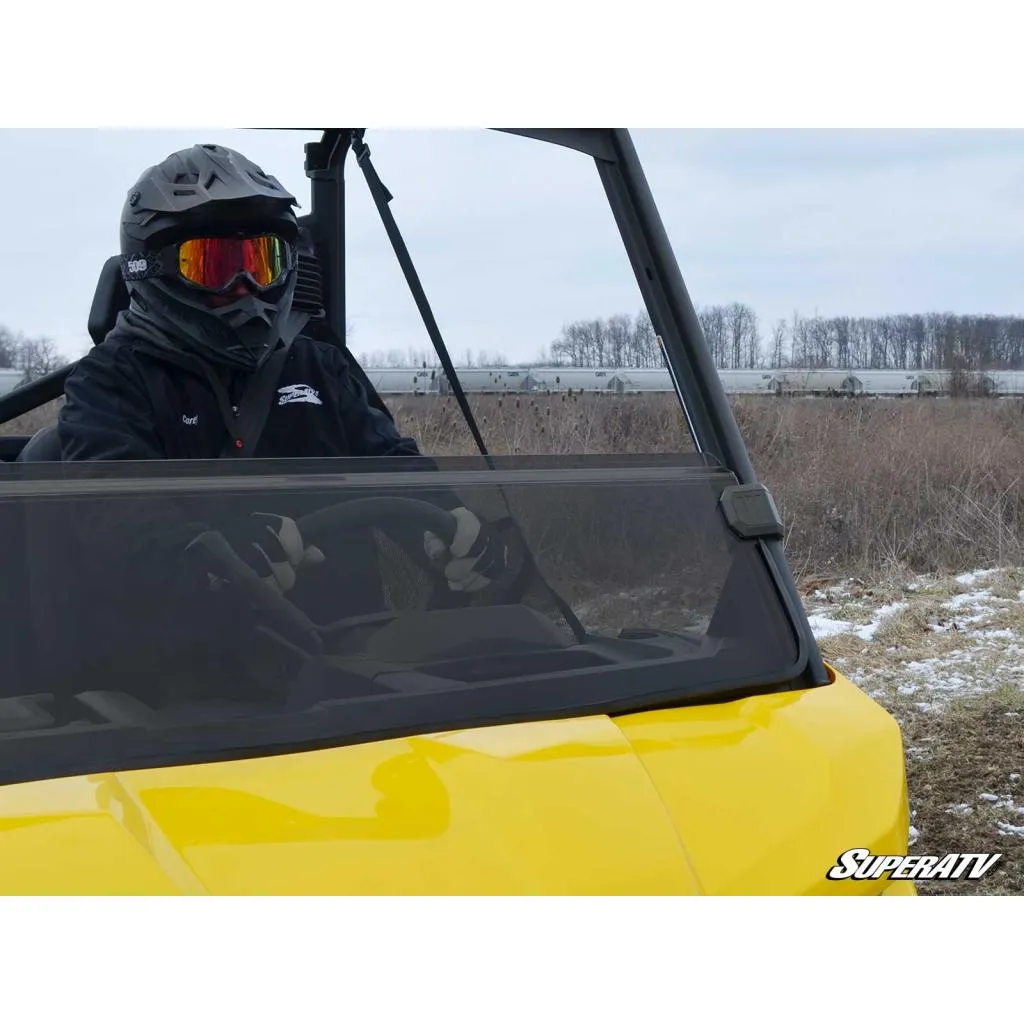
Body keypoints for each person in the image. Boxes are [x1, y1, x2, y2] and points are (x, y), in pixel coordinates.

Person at [53, 143, 511, 684]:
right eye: (214, 266)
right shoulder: (110, 382)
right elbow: (116, 526)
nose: (245, 288)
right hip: (183, 691)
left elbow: (394, 467)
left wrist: (459, 534)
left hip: (353, 671)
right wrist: (212, 561)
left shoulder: (317, 366)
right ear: (149, 270)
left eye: (263, 263)